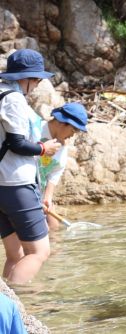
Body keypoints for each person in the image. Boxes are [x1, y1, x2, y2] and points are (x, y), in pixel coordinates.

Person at [0, 49, 61, 284]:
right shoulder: (13, 99)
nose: (36, 85)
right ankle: (16, 311)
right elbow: (17, 144)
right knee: (38, 252)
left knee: (15, 255)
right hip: (16, 184)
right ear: (25, 78)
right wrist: (44, 149)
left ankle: (13, 309)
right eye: (36, 79)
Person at [39, 103, 88, 230]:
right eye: (73, 130)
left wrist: (47, 198)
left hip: (41, 192)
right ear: (62, 122)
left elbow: (55, 172)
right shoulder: (37, 130)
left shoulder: (62, 145)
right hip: (25, 189)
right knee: (43, 230)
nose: (72, 135)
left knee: (54, 226)